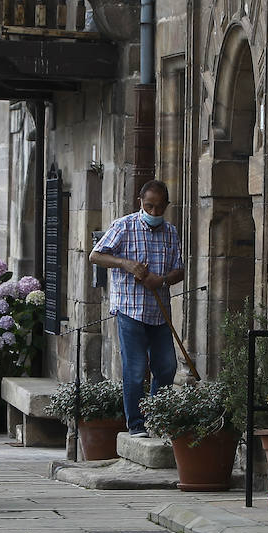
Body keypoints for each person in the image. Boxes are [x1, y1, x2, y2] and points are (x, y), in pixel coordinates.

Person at [89, 179, 186, 437]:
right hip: (130, 310)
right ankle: (136, 425)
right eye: (149, 206)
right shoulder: (123, 226)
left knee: (166, 367)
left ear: (166, 205)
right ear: (140, 202)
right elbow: (96, 255)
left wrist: (162, 280)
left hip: (159, 312)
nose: (154, 213)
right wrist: (126, 264)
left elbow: (180, 271)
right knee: (134, 369)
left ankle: (155, 417)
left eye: (159, 208)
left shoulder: (171, 232)